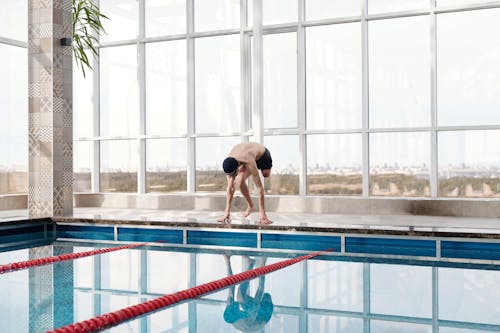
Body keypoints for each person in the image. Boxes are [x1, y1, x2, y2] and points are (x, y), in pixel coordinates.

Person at [217, 142, 273, 225]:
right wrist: (227, 213)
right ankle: (251, 206)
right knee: (239, 181)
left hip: (262, 155)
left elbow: (259, 188)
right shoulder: (229, 164)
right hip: (243, 157)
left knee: (266, 174)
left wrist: (262, 215)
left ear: (237, 168)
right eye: (230, 175)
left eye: (233, 174)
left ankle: (261, 213)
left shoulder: (248, 161)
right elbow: (230, 188)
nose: (231, 177)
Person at [223, 255, 274, 332]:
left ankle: (251, 263)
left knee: (239, 296)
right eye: (232, 304)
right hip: (264, 312)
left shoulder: (234, 317)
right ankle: (261, 263)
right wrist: (263, 264)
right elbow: (260, 290)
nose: (231, 302)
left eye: (230, 304)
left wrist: (227, 262)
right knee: (242, 297)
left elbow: (231, 286)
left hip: (252, 315)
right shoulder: (251, 317)